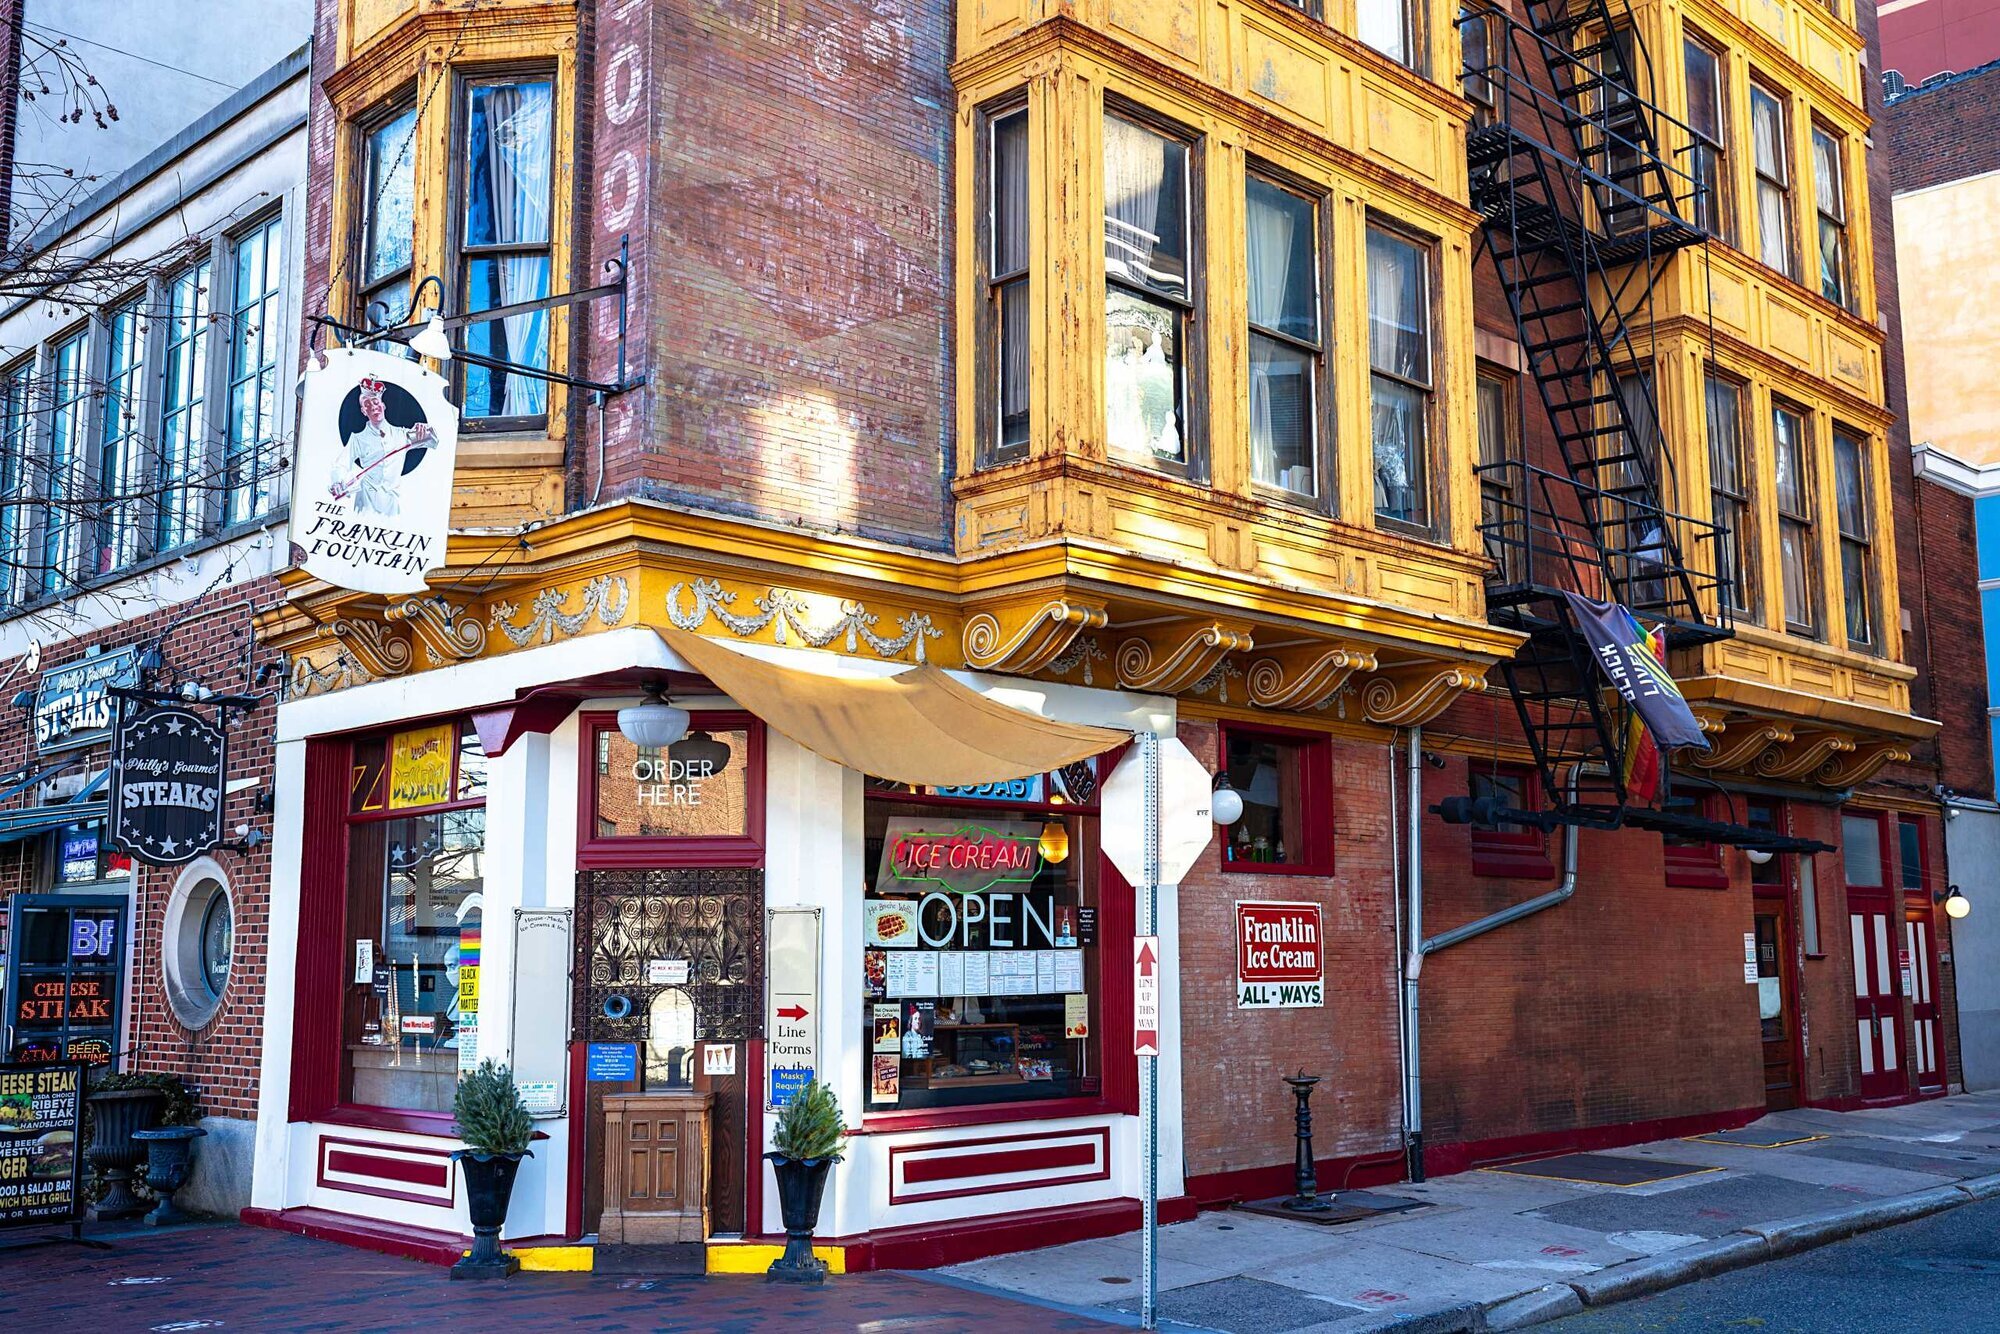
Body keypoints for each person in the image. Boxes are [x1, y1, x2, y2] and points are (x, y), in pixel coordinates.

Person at [334, 376, 434, 516]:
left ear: (383, 406)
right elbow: (341, 464)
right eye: (367, 405)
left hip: (391, 504)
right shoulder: (358, 439)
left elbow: (433, 441)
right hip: (366, 502)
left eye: (376, 402)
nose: (373, 406)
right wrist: (338, 482)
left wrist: (425, 429)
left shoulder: (401, 435)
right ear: (363, 411)